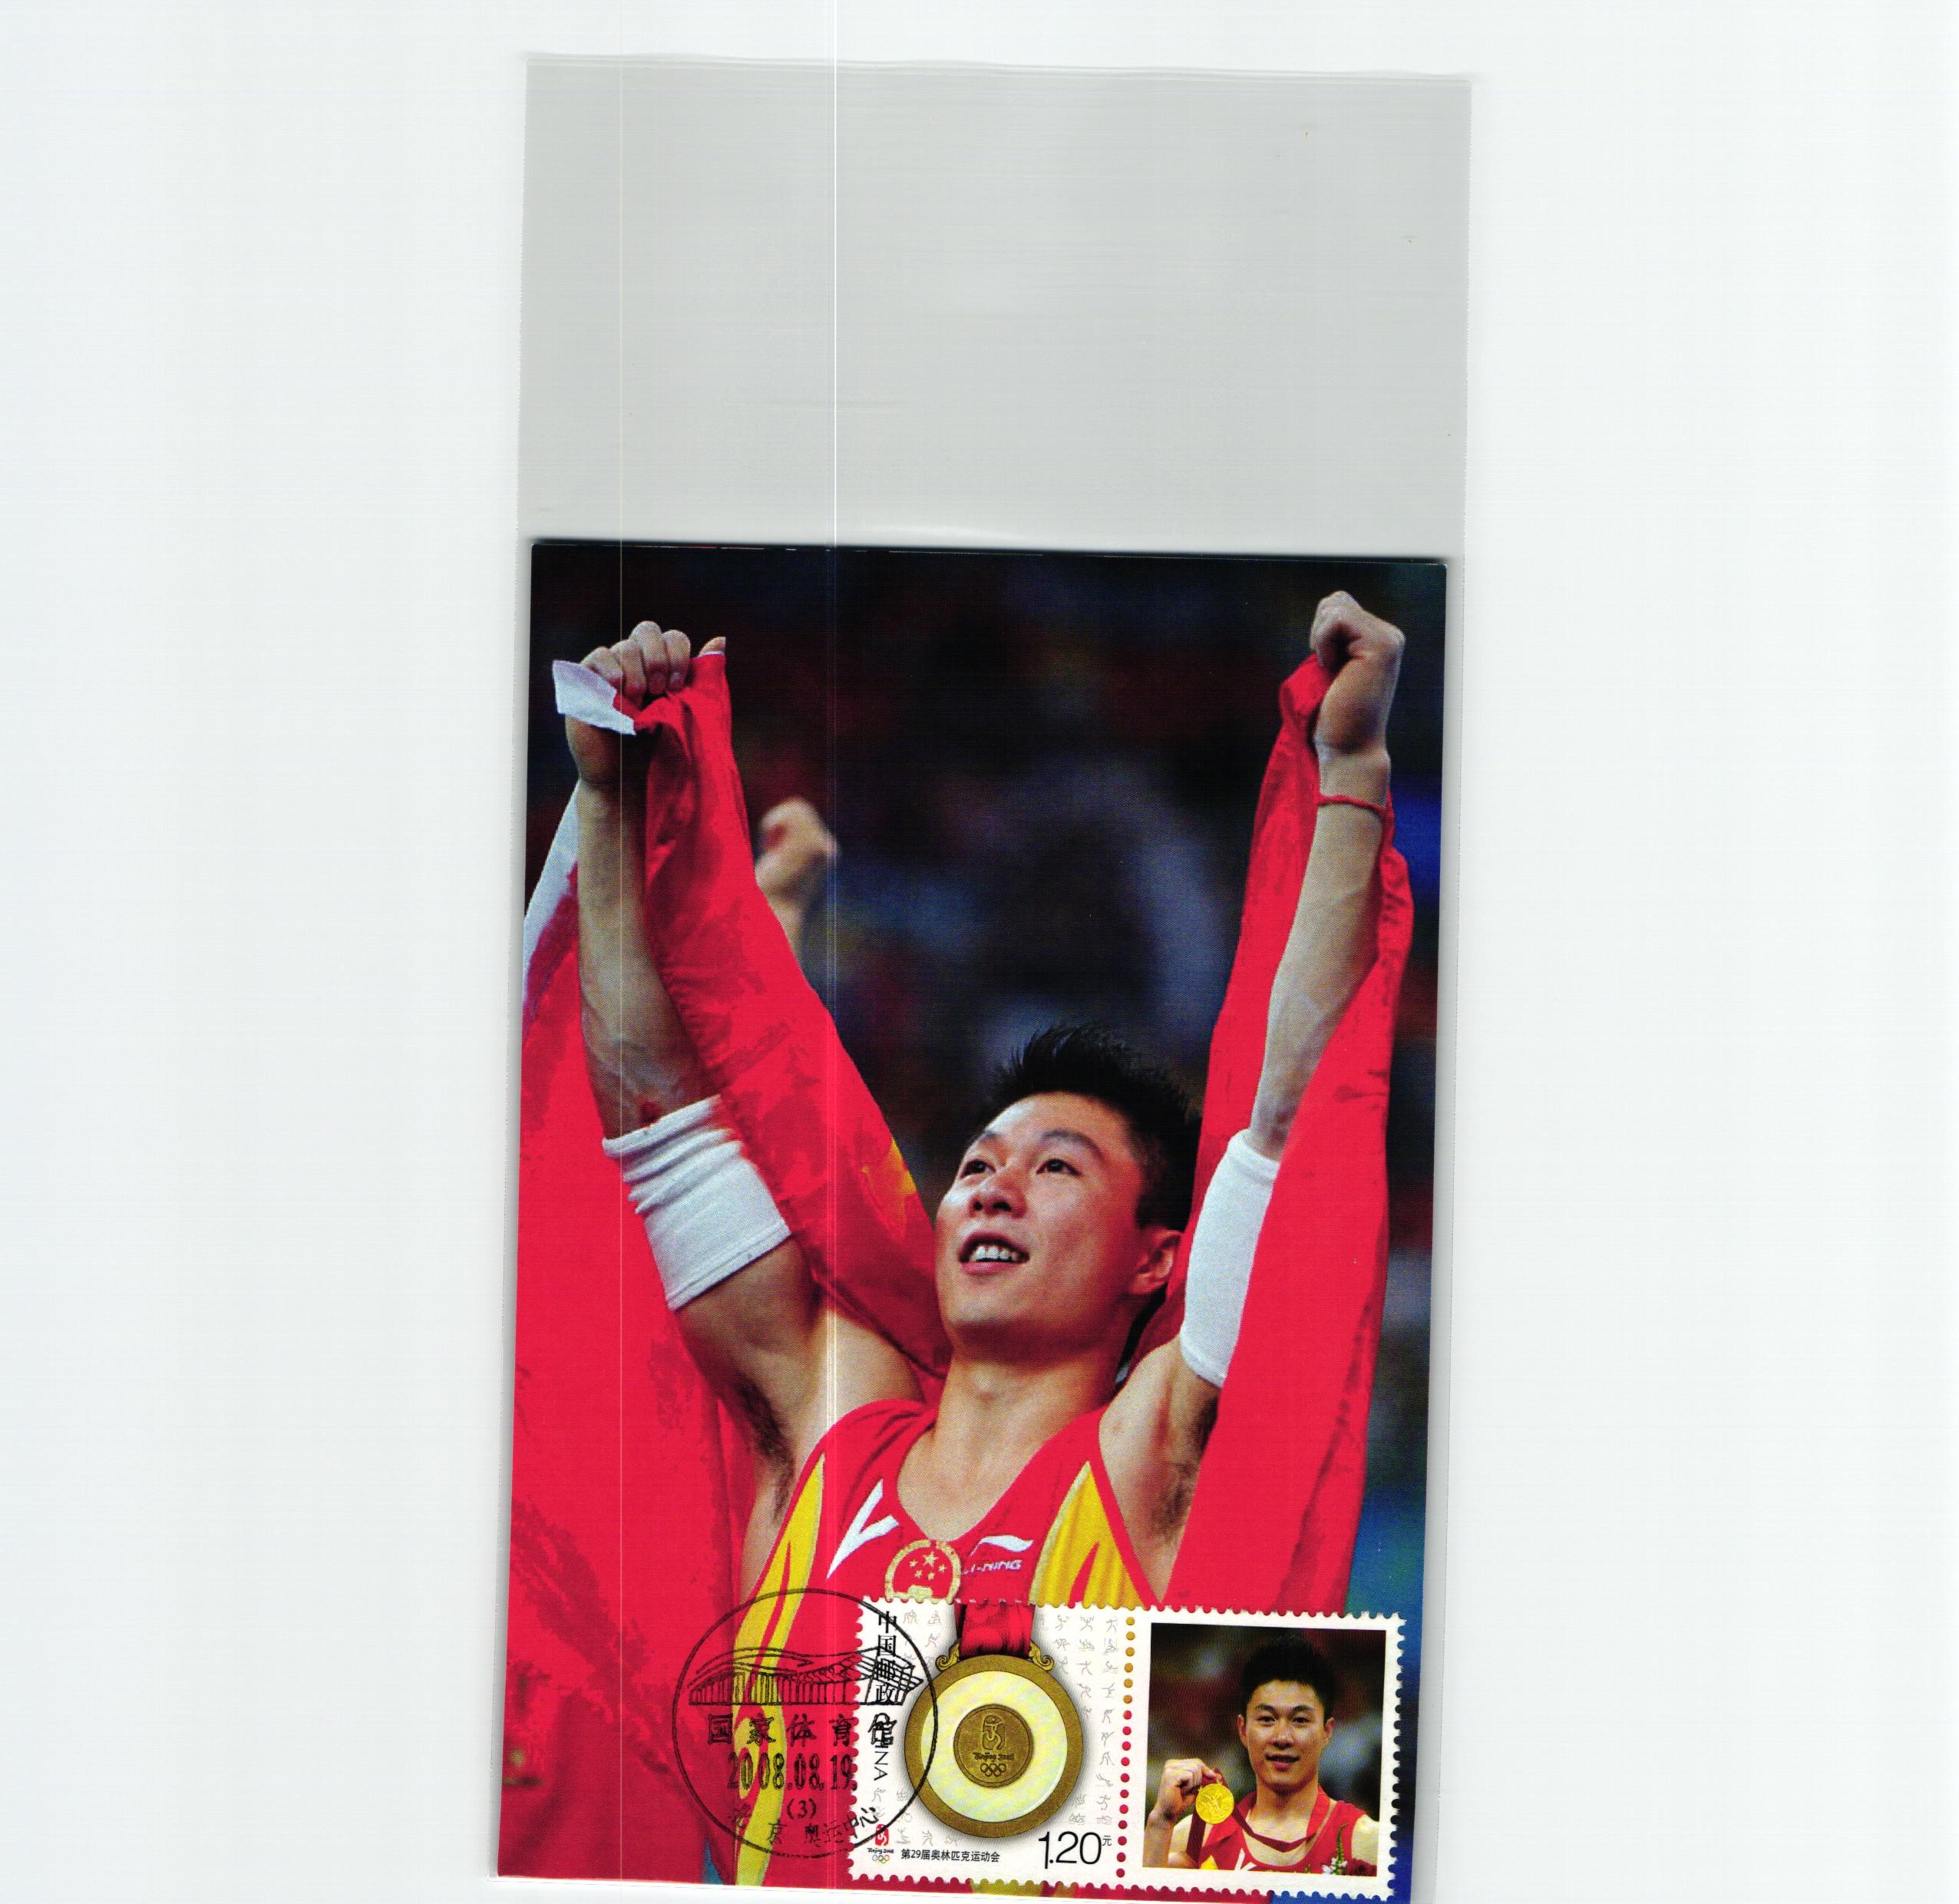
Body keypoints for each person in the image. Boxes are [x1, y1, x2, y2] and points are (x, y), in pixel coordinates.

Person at [563, 592, 1405, 1609]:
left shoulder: (1145, 1458)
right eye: (975, 1166)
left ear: (1155, 1258)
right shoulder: (827, 1421)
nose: (992, 1190)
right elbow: (657, 1120)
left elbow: (1290, 1128)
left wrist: (1351, 774)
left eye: (1055, 1165)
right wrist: (609, 800)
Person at [1144, 1638, 1380, 1876]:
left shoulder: (1367, 1843)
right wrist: (1160, 1822)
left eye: (1300, 1720)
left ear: (1326, 1732)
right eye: (1267, 1719)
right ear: (1243, 1730)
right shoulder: (1194, 1840)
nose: (1282, 1738)